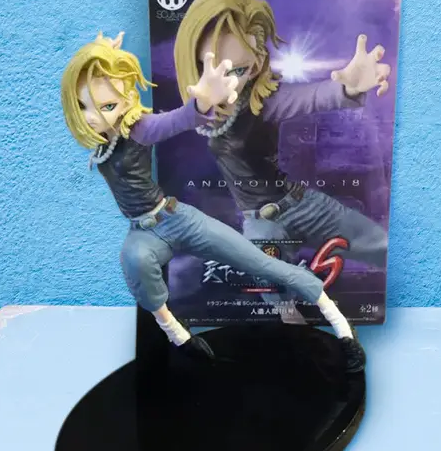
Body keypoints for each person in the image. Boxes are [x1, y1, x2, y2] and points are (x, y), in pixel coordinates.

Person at [60, 33, 366, 370]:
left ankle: (341, 327)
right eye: (84, 106)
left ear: (127, 98)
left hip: (176, 218)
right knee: (134, 262)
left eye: (107, 106)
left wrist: (201, 105)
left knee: (262, 264)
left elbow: (173, 122)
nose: (93, 116)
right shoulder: (101, 144)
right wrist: (105, 60)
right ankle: (179, 335)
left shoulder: (138, 129)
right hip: (143, 233)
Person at [174, 0, 390, 324]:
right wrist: (203, 0)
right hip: (260, 222)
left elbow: (307, 98)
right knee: (276, 297)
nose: (229, 80)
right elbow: (197, 42)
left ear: (257, 61)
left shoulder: (263, 100)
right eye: (217, 68)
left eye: (241, 69)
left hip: (300, 203)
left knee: (380, 245)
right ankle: (298, 338)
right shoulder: (195, 107)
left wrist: (347, 89)